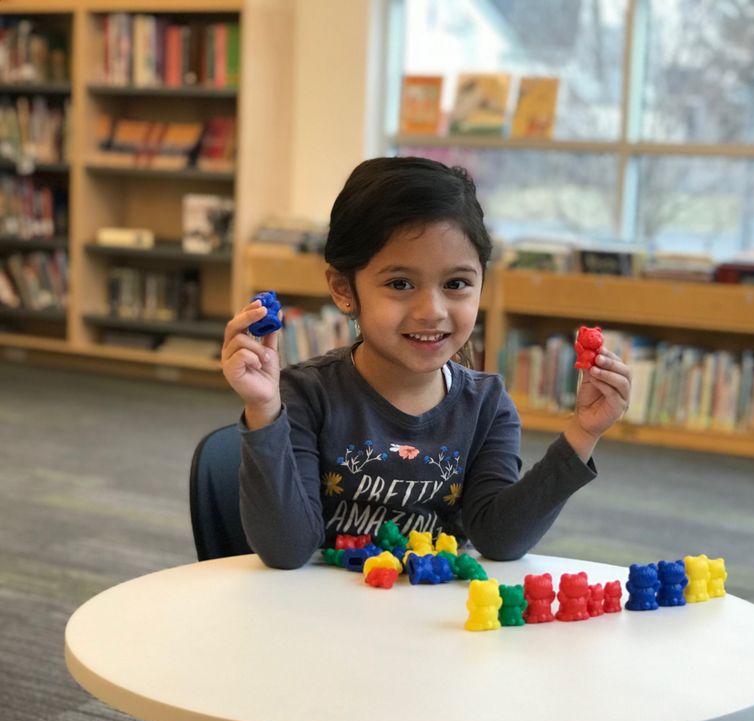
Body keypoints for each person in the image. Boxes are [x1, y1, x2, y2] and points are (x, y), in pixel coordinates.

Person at [221, 156, 631, 569]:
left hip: (438, 620)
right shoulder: (306, 395)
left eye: (456, 284)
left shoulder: (487, 406)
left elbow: (500, 539)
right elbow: (286, 549)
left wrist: (583, 433)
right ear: (343, 289)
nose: (432, 310)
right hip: (330, 618)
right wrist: (263, 411)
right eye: (400, 284)